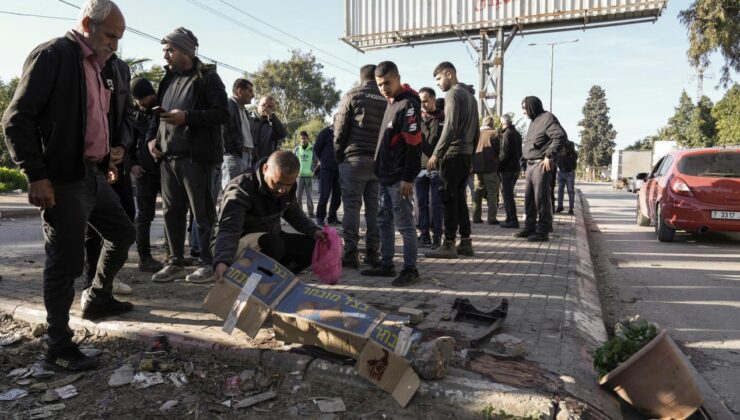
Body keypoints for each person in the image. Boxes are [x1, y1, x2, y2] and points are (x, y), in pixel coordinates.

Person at [2, 0, 135, 371]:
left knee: (123, 234)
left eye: (119, 38)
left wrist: (107, 156)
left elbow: (95, 121)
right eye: (110, 35)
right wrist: (36, 175)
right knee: (65, 263)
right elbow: (16, 120)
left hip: (92, 172)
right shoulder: (53, 56)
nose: (115, 44)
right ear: (86, 24)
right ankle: (57, 347)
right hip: (61, 178)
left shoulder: (102, 67)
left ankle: (97, 298)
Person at [147, 27, 229, 284]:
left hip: (198, 159)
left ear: (185, 50)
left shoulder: (207, 78)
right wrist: (152, 139)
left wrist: (187, 117)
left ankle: (206, 263)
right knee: (172, 211)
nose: (165, 56)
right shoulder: (168, 79)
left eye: (169, 50)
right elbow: (155, 116)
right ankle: (175, 262)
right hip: (168, 158)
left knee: (201, 213)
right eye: (164, 50)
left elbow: (221, 114)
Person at [212, 150, 326, 278]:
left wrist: (315, 231)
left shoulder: (287, 186)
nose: (283, 189)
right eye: (277, 183)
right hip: (236, 242)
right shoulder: (241, 187)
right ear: (265, 168)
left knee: (313, 247)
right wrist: (222, 260)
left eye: (289, 185)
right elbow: (229, 228)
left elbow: (294, 213)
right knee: (273, 244)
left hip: (270, 238)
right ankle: (251, 281)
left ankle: (278, 279)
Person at [360, 61, 422, 287]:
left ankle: (410, 269)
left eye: (387, 82)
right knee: (383, 220)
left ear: (397, 78)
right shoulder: (392, 103)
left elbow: (414, 144)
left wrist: (408, 177)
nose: (383, 87)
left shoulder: (409, 105)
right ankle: (386, 264)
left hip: (399, 178)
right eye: (379, 84)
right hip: (384, 176)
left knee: (404, 225)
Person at [334, 64, 387, 269]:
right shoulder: (385, 98)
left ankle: (351, 254)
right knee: (373, 209)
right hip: (377, 162)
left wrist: (340, 156)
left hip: (354, 160)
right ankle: (373, 252)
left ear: (361, 77)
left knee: (351, 208)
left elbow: (340, 129)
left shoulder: (352, 94)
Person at [425, 62, 479, 259]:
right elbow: (477, 131)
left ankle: (448, 244)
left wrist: (436, 153)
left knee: (448, 199)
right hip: (465, 155)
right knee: (460, 201)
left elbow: (449, 127)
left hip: (453, 153)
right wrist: (471, 156)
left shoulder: (453, 94)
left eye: (439, 78)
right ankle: (465, 242)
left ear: (449, 74)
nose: (438, 83)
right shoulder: (471, 97)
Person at [515, 96, 566, 242]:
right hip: (530, 165)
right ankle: (529, 227)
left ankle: (543, 230)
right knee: (529, 199)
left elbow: (560, 137)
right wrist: (524, 164)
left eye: (525, 108)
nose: (523, 112)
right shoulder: (534, 121)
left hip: (540, 165)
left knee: (541, 199)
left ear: (532, 106)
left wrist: (549, 156)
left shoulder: (547, 118)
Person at [130, 77, 166, 273]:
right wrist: (132, 165)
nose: (140, 103)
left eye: (142, 98)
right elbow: (127, 144)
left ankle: (173, 255)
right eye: (137, 99)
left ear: (152, 94)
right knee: (144, 216)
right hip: (144, 173)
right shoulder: (134, 115)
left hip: (166, 171)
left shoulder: (163, 109)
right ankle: (144, 258)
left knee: (172, 213)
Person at [416, 87, 444, 249]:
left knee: (436, 204)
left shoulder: (443, 118)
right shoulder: (417, 119)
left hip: (437, 168)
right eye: (421, 101)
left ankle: (437, 236)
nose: (423, 104)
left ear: (433, 99)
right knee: (421, 203)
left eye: (426, 101)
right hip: (419, 167)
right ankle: (424, 234)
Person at [222, 78, 255, 190]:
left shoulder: (244, 110)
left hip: (246, 157)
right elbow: (224, 131)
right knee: (232, 192)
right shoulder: (228, 106)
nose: (253, 95)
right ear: (240, 91)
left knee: (244, 193)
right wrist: (234, 151)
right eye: (250, 91)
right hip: (235, 156)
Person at [472, 116, 501, 225]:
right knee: (492, 194)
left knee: (477, 193)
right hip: (490, 168)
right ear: (492, 124)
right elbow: (498, 150)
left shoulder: (476, 134)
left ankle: (476, 217)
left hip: (477, 168)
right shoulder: (494, 133)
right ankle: (492, 218)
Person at [313, 120, 341, 226]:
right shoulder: (325, 132)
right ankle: (320, 217)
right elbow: (316, 148)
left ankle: (332, 217)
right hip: (326, 169)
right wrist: (323, 160)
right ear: (335, 120)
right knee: (324, 195)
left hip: (339, 169)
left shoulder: (343, 132)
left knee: (337, 195)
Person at [498, 113, 523, 228]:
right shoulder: (517, 133)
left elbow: (505, 152)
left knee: (507, 195)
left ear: (503, 123)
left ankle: (513, 219)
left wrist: (498, 165)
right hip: (515, 167)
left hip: (507, 168)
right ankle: (509, 218)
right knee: (507, 194)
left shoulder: (507, 133)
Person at [251, 96, 287, 162]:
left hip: (266, 162)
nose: (266, 108)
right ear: (258, 105)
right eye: (263, 105)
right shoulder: (249, 119)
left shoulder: (273, 123)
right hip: (248, 161)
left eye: (269, 107)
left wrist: (272, 117)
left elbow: (282, 134)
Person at [293, 131, 316, 217]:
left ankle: (311, 212)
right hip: (299, 176)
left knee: (309, 196)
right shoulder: (296, 149)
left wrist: (312, 170)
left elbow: (316, 161)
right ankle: (300, 213)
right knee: (298, 196)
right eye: (301, 138)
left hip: (309, 176)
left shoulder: (312, 149)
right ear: (300, 139)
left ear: (307, 138)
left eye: (304, 138)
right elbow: (293, 161)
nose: (303, 140)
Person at [556, 140, 578, 215]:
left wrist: (568, 150)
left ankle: (571, 208)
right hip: (561, 172)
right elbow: (557, 160)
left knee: (570, 191)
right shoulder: (560, 151)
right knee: (560, 190)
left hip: (570, 173)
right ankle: (560, 206)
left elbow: (573, 161)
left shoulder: (573, 154)